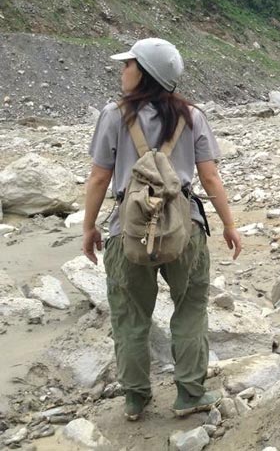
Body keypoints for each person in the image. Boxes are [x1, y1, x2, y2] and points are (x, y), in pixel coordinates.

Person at [82, 38, 242, 421]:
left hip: (129, 228)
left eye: (128, 65)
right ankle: (190, 393)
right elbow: (211, 178)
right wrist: (229, 224)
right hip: (184, 228)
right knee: (189, 310)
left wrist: (88, 227)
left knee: (130, 314)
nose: (123, 71)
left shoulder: (113, 115)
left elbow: (99, 178)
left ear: (145, 72)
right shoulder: (192, 116)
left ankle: (136, 398)